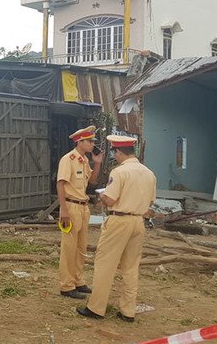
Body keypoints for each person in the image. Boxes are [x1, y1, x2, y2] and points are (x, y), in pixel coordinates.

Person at [77, 135, 156, 322]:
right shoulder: (149, 173)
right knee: (130, 267)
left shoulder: (119, 172)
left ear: (119, 152)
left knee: (105, 264)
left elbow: (111, 199)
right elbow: (150, 203)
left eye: (115, 152)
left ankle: (96, 307)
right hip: (138, 221)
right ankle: (128, 311)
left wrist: (103, 197)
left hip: (119, 220)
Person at [56, 125, 102, 300]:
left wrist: (97, 163)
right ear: (80, 142)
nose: (92, 145)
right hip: (71, 206)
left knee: (81, 247)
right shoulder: (68, 159)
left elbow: (93, 181)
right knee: (69, 247)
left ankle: (78, 280)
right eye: (89, 141)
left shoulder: (84, 161)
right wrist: (64, 210)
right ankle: (66, 285)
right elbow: (60, 184)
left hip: (83, 206)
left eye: (92, 141)